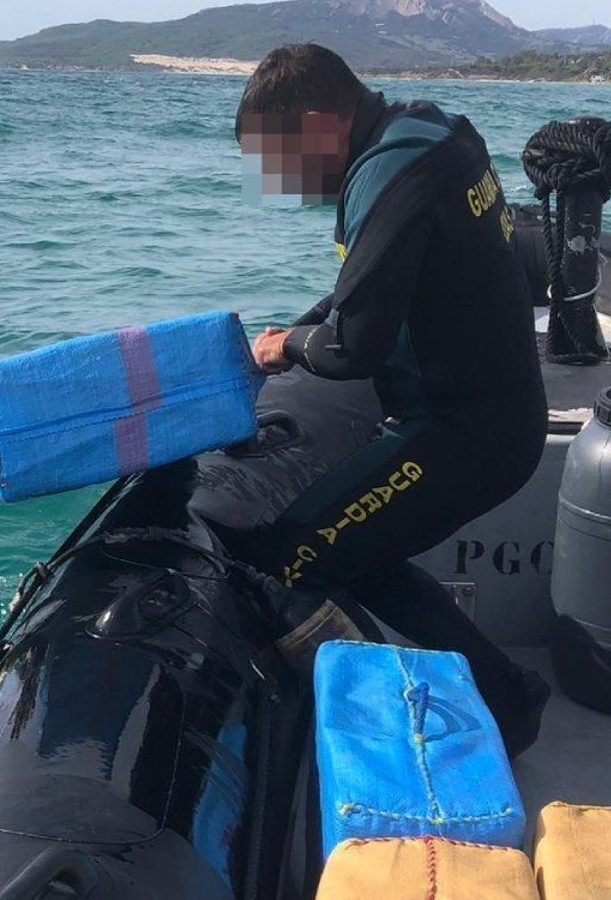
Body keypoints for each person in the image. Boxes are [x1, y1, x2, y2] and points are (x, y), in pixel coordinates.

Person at [234, 44, 551, 754]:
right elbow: (367, 289)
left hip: (460, 433)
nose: (280, 181)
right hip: (492, 416)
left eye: (279, 157)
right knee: (361, 554)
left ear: (320, 123)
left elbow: (353, 348)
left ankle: (390, 731)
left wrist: (284, 347)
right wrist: (302, 328)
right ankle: (506, 698)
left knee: (289, 559)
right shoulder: (431, 132)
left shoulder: (391, 174)